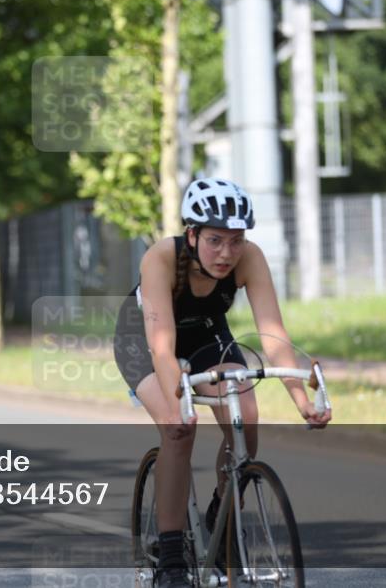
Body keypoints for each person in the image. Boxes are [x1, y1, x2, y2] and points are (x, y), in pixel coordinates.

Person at [113, 178, 331, 588]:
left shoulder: (250, 259)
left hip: (205, 335)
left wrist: (301, 399)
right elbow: (162, 349)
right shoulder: (160, 258)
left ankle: (221, 512)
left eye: (236, 241)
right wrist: (180, 400)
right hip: (145, 340)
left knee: (245, 414)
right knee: (179, 429)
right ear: (191, 234)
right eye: (215, 240)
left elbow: (273, 335)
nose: (226, 253)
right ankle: (173, 556)